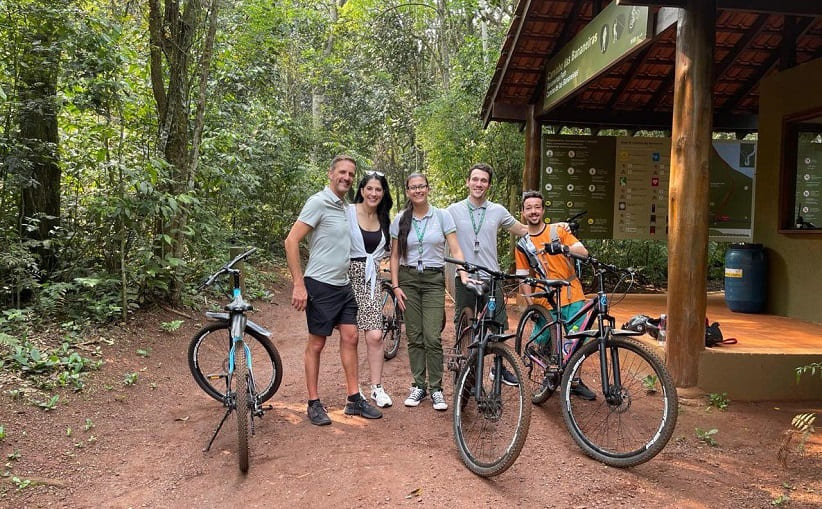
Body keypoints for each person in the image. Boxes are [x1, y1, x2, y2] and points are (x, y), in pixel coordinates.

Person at [284, 155, 383, 426]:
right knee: (317, 343)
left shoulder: (343, 207)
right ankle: (313, 403)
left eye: (351, 174)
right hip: (320, 283)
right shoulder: (318, 202)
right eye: (342, 172)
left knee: (351, 337)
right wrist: (298, 283)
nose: (347, 177)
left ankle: (354, 399)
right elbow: (291, 241)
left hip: (343, 284)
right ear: (330, 174)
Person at [389, 173, 470, 411]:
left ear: (428, 188)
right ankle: (418, 385)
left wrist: (463, 272)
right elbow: (394, 256)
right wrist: (395, 286)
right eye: (413, 187)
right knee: (414, 335)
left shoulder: (442, 216)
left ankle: (436, 389)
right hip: (408, 279)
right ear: (407, 191)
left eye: (421, 186)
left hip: (434, 280)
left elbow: (455, 248)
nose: (418, 191)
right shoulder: (401, 219)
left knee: (432, 336)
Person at [445, 163, 528, 386]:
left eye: (483, 180)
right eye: (475, 179)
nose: (478, 184)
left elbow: (522, 229)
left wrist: (556, 228)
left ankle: (497, 369)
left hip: (491, 276)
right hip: (464, 275)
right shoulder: (453, 210)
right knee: (465, 323)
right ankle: (466, 372)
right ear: (467, 182)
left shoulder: (498, 210)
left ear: (489, 185)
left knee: (498, 324)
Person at [514, 190, 596, 400]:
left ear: (543, 210)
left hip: (572, 294)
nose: (533, 211)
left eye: (537, 207)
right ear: (523, 212)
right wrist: (531, 303)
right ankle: (546, 377)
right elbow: (523, 276)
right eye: (529, 208)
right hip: (545, 298)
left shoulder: (558, 231)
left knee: (578, 339)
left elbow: (583, 252)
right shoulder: (523, 244)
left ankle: (574, 380)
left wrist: (564, 248)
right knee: (540, 342)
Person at [347, 171, 394, 408]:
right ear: (362, 190)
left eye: (378, 189)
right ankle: (354, 392)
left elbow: (394, 252)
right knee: (350, 337)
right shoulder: (348, 212)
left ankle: (377, 388)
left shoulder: (385, 219)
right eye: (370, 189)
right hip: (344, 277)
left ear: (383, 193)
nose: (374, 193)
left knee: (375, 335)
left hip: (371, 279)